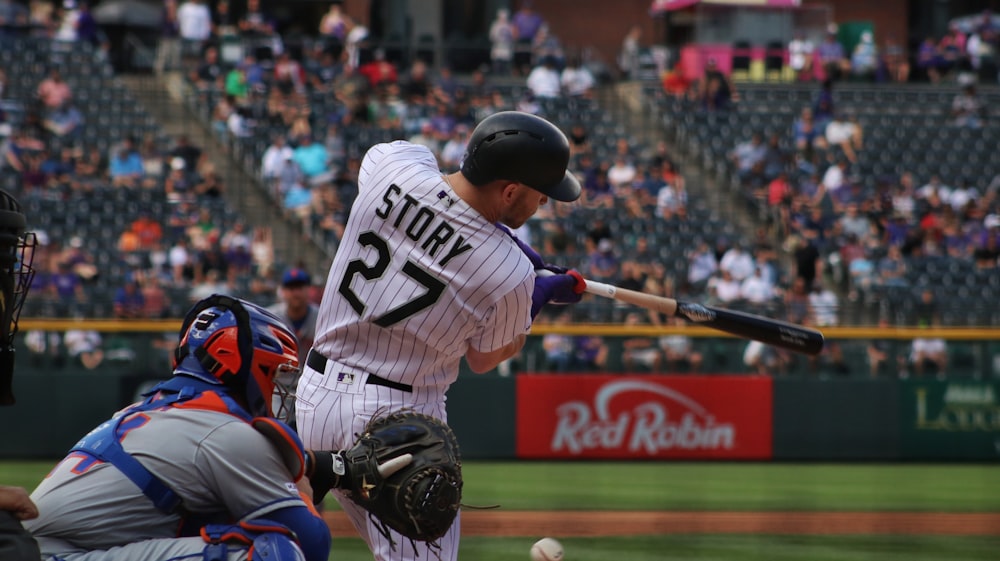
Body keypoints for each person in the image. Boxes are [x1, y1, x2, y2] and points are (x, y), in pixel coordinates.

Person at [296, 111, 584, 561]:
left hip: (313, 396)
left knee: (286, 542)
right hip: (396, 421)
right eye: (540, 194)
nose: (544, 203)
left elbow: (427, 189)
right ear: (509, 191)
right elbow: (486, 359)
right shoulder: (509, 273)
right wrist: (534, 299)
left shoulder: (394, 165)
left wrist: (493, 241)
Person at [24, 295, 342, 561]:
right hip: (59, 555)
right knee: (275, 553)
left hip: (38, 550)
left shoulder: (145, 410)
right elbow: (311, 546)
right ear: (235, 362)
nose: (278, 386)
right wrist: (300, 485)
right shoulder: (226, 432)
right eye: (273, 372)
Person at [267, 267, 320, 421]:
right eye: (290, 288)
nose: (295, 293)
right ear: (283, 291)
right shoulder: (270, 318)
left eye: (299, 287)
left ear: (308, 290)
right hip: (279, 387)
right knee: (277, 426)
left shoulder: (322, 318)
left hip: (312, 388)